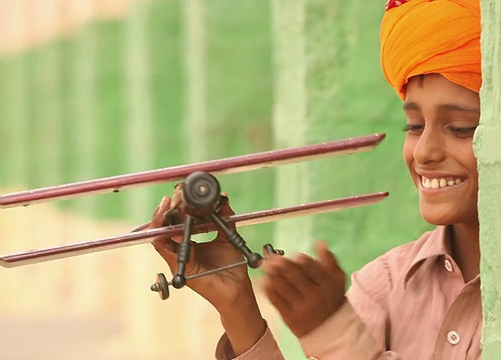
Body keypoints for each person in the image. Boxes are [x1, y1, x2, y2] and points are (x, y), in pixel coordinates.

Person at [151, 0, 483, 358]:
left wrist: (336, 334)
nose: (424, 153)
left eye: (460, 128)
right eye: (415, 126)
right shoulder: (384, 284)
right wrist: (237, 307)